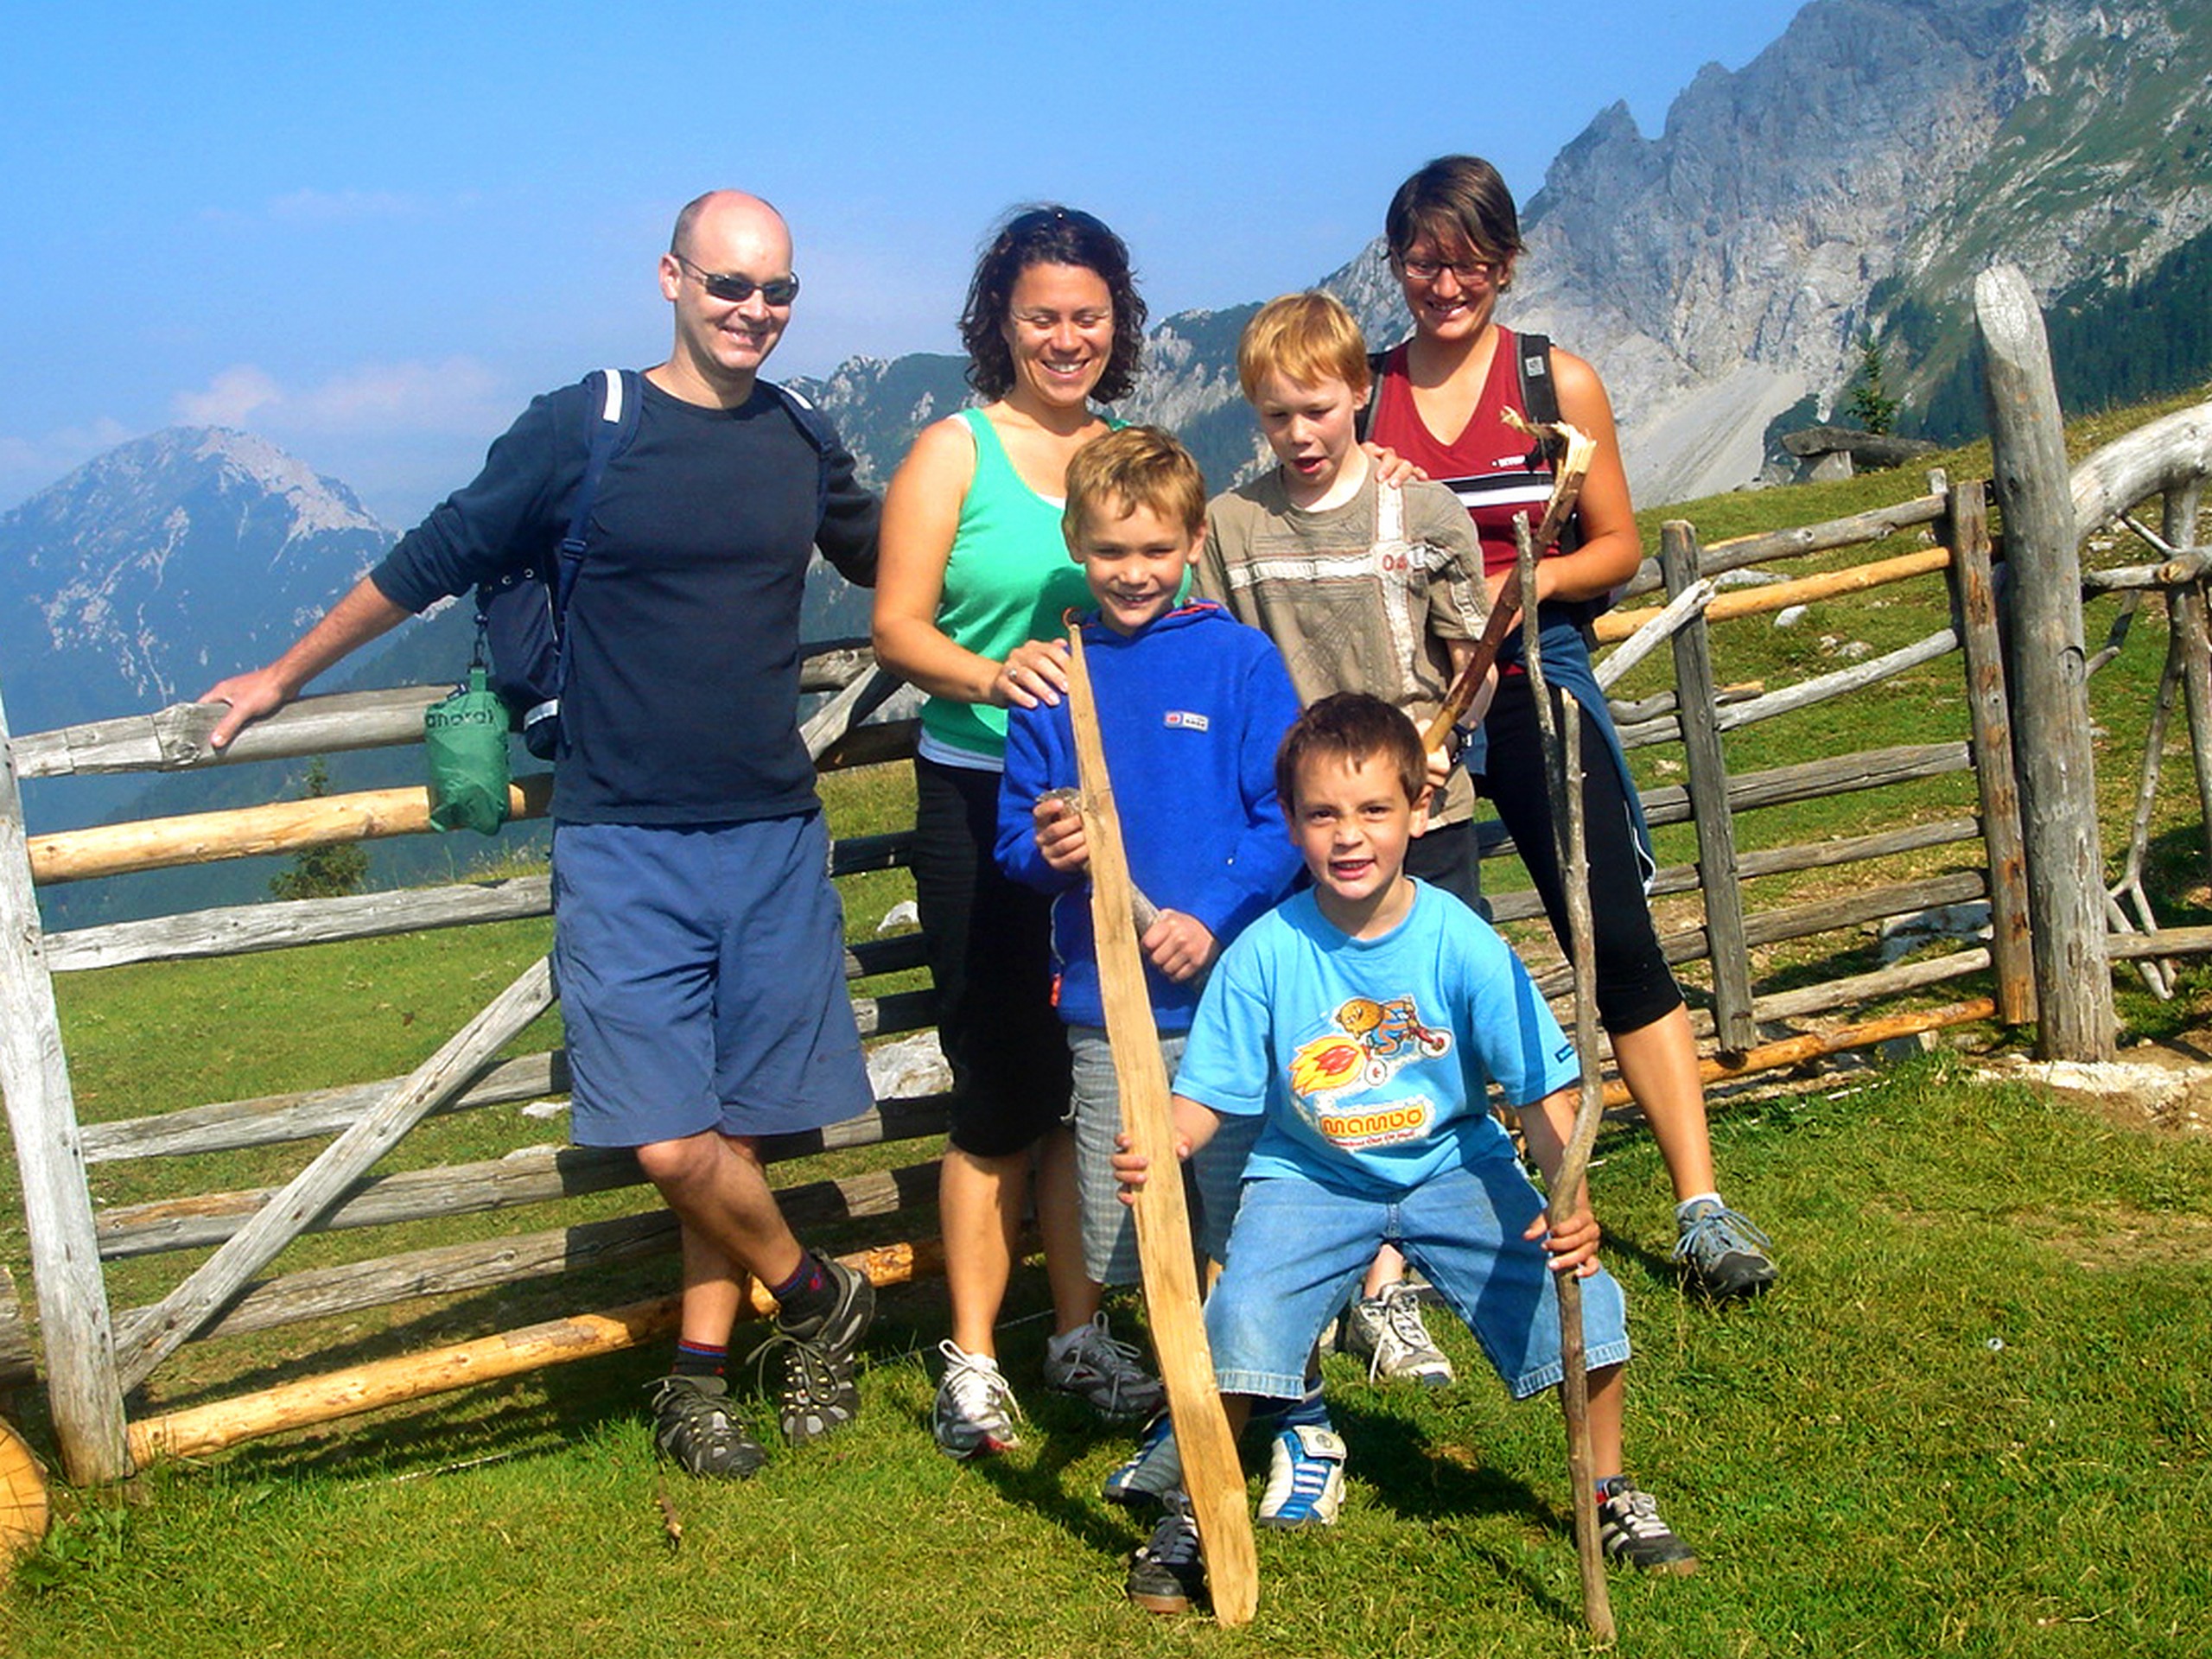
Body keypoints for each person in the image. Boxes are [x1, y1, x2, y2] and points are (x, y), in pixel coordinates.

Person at [199, 190, 880, 1477]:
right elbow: (440, 549)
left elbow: (899, 558)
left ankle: (695, 1380)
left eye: (779, 290)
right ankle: (817, 1295)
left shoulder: (799, 438)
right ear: (670, 277)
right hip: (624, 833)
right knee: (667, 1132)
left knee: (731, 1134)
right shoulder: (587, 425)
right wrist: (284, 676)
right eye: (731, 285)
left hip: (772, 828)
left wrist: (1092, 576)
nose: (755, 311)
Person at [1111, 694, 1698, 1615]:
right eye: (1323, 815)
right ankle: (1199, 1509)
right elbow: (1207, 1098)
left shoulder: (1461, 942)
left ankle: (1606, 1490)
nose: (1350, 837)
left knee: (1584, 1302)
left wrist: (1568, 1197)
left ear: (1417, 812)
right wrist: (1162, 1140)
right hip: (1310, 1175)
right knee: (1236, 1323)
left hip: (1454, 1165)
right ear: (1293, 823)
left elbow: (1540, 1096)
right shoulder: (1264, 953)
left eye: (1373, 811)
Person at [1363, 155, 1778, 1300]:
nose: (1444, 281)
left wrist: (1530, 590)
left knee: (1612, 934)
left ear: (1507, 261)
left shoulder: (1553, 382)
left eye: (1468, 260)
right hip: (1416, 690)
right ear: (1395, 259)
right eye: (1422, 258)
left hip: (1536, 673)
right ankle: (1423, 1224)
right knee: (1418, 955)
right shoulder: (1363, 393)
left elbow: (1618, 544)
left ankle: (1702, 1207)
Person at [871, 207, 1164, 1456]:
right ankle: (976, 1362)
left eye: (1086, 317)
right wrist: (997, 680)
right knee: (1001, 1080)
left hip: (1100, 805)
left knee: (1087, 1072)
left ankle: (1077, 1339)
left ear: (1118, 324)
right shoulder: (954, 452)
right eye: (1040, 314)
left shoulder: (1131, 456)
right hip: (980, 794)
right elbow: (898, 628)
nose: (1064, 338)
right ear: (1000, 319)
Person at [1198, 289, 1490, 1385]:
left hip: (1419, 820)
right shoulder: (1234, 528)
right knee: (1320, 1045)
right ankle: (1329, 1269)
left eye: (1317, 409)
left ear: (1361, 393)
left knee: (1419, 1035)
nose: (1300, 435)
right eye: (1276, 417)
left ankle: (1401, 1273)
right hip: (1301, 836)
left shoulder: (1425, 515)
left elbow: (1473, 659)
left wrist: (1437, 751)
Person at [993, 424, 1301, 1423]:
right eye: (1111, 552)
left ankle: (1272, 1387)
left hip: (1226, 1000)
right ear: (1077, 547)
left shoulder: (1238, 663)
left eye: (1155, 550)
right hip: (1106, 1004)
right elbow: (1015, 845)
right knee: (1133, 1218)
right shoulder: (1054, 679)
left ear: (1195, 541)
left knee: (1241, 1201)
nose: (1133, 573)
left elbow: (1282, 819)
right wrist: (1051, 847)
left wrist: (1211, 917)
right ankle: (1185, 1399)